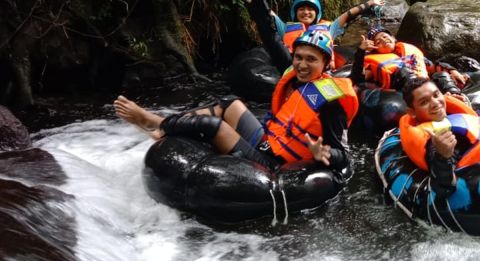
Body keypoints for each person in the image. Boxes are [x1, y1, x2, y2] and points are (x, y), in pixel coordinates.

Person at [114, 29, 358, 171]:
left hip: (275, 164)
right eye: (298, 58)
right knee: (230, 102)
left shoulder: (330, 102)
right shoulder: (296, 81)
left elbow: (343, 155)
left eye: (311, 60)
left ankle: (156, 122)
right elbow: (271, 39)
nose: (302, 65)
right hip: (267, 142)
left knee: (214, 126)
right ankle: (162, 124)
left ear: (326, 64)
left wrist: (321, 153)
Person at [225, 0, 385, 63]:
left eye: (310, 10)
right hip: (290, 66)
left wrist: (370, 2)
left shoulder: (329, 28)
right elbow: (265, 14)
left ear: (317, 14)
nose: (306, 12)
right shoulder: (286, 28)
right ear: (296, 12)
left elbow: (349, 14)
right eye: (302, 9)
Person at [350, 25, 468, 91]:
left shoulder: (409, 52)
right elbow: (358, 79)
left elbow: (432, 67)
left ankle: (455, 96)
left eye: (385, 37)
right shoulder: (375, 63)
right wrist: (361, 51)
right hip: (403, 95)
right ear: (375, 48)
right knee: (403, 71)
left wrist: (452, 71)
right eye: (378, 41)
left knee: (440, 76)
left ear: (394, 39)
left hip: (428, 88)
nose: (384, 41)